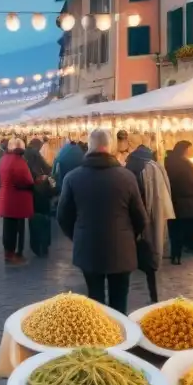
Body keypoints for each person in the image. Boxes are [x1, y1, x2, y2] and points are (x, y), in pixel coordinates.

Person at [58, 129, 147, 313]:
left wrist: (78, 235)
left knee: (95, 300)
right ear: (110, 147)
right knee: (119, 301)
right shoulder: (127, 177)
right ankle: (121, 338)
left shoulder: (73, 177)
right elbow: (140, 217)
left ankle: (99, 339)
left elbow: (63, 216)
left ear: (89, 148)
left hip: (88, 248)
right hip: (121, 249)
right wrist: (129, 236)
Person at [125, 134, 174, 303]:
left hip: (130, 229)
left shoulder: (132, 168)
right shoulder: (153, 167)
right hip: (147, 221)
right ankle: (152, 295)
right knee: (150, 262)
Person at [164, 140, 193, 264]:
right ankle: (186, 250)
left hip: (173, 201)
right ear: (185, 149)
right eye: (190, 149)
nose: (192, 151)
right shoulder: (184, 164)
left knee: (175, 228)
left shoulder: (169, 162)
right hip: (185, 202)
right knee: (185, 227)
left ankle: (175, 254)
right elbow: (190, 183)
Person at [0, 138, 34, 264]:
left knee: (8, 227)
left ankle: (9, 252)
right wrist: (35, 184)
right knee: (15, 229)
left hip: (6, 198)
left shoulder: (4, 159)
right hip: (16, 200)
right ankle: (13, 254)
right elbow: (26, 180)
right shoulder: (18, 162)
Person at [24, 138, 54, 256]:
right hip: (40, 189)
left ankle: (35, 245)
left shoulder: (24, 153)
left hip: (30, 192)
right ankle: (45, 244)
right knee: (45, 218)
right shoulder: (36, 154)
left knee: (33, 219)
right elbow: (47, 168)